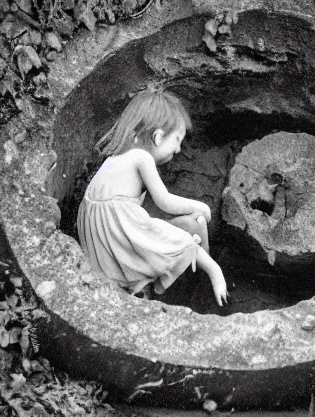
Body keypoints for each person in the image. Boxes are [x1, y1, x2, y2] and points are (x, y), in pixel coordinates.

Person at [76, 88, 228, 306]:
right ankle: (213, 270)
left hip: (103, 244)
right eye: (177, 140)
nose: (178, 150)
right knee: (179, 240)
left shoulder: (113, 159)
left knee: (189, 225)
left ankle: (189, 266)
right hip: (118, 231)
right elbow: (164, 201)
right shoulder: (140, 157)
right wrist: (201, 206)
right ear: (158, 137)